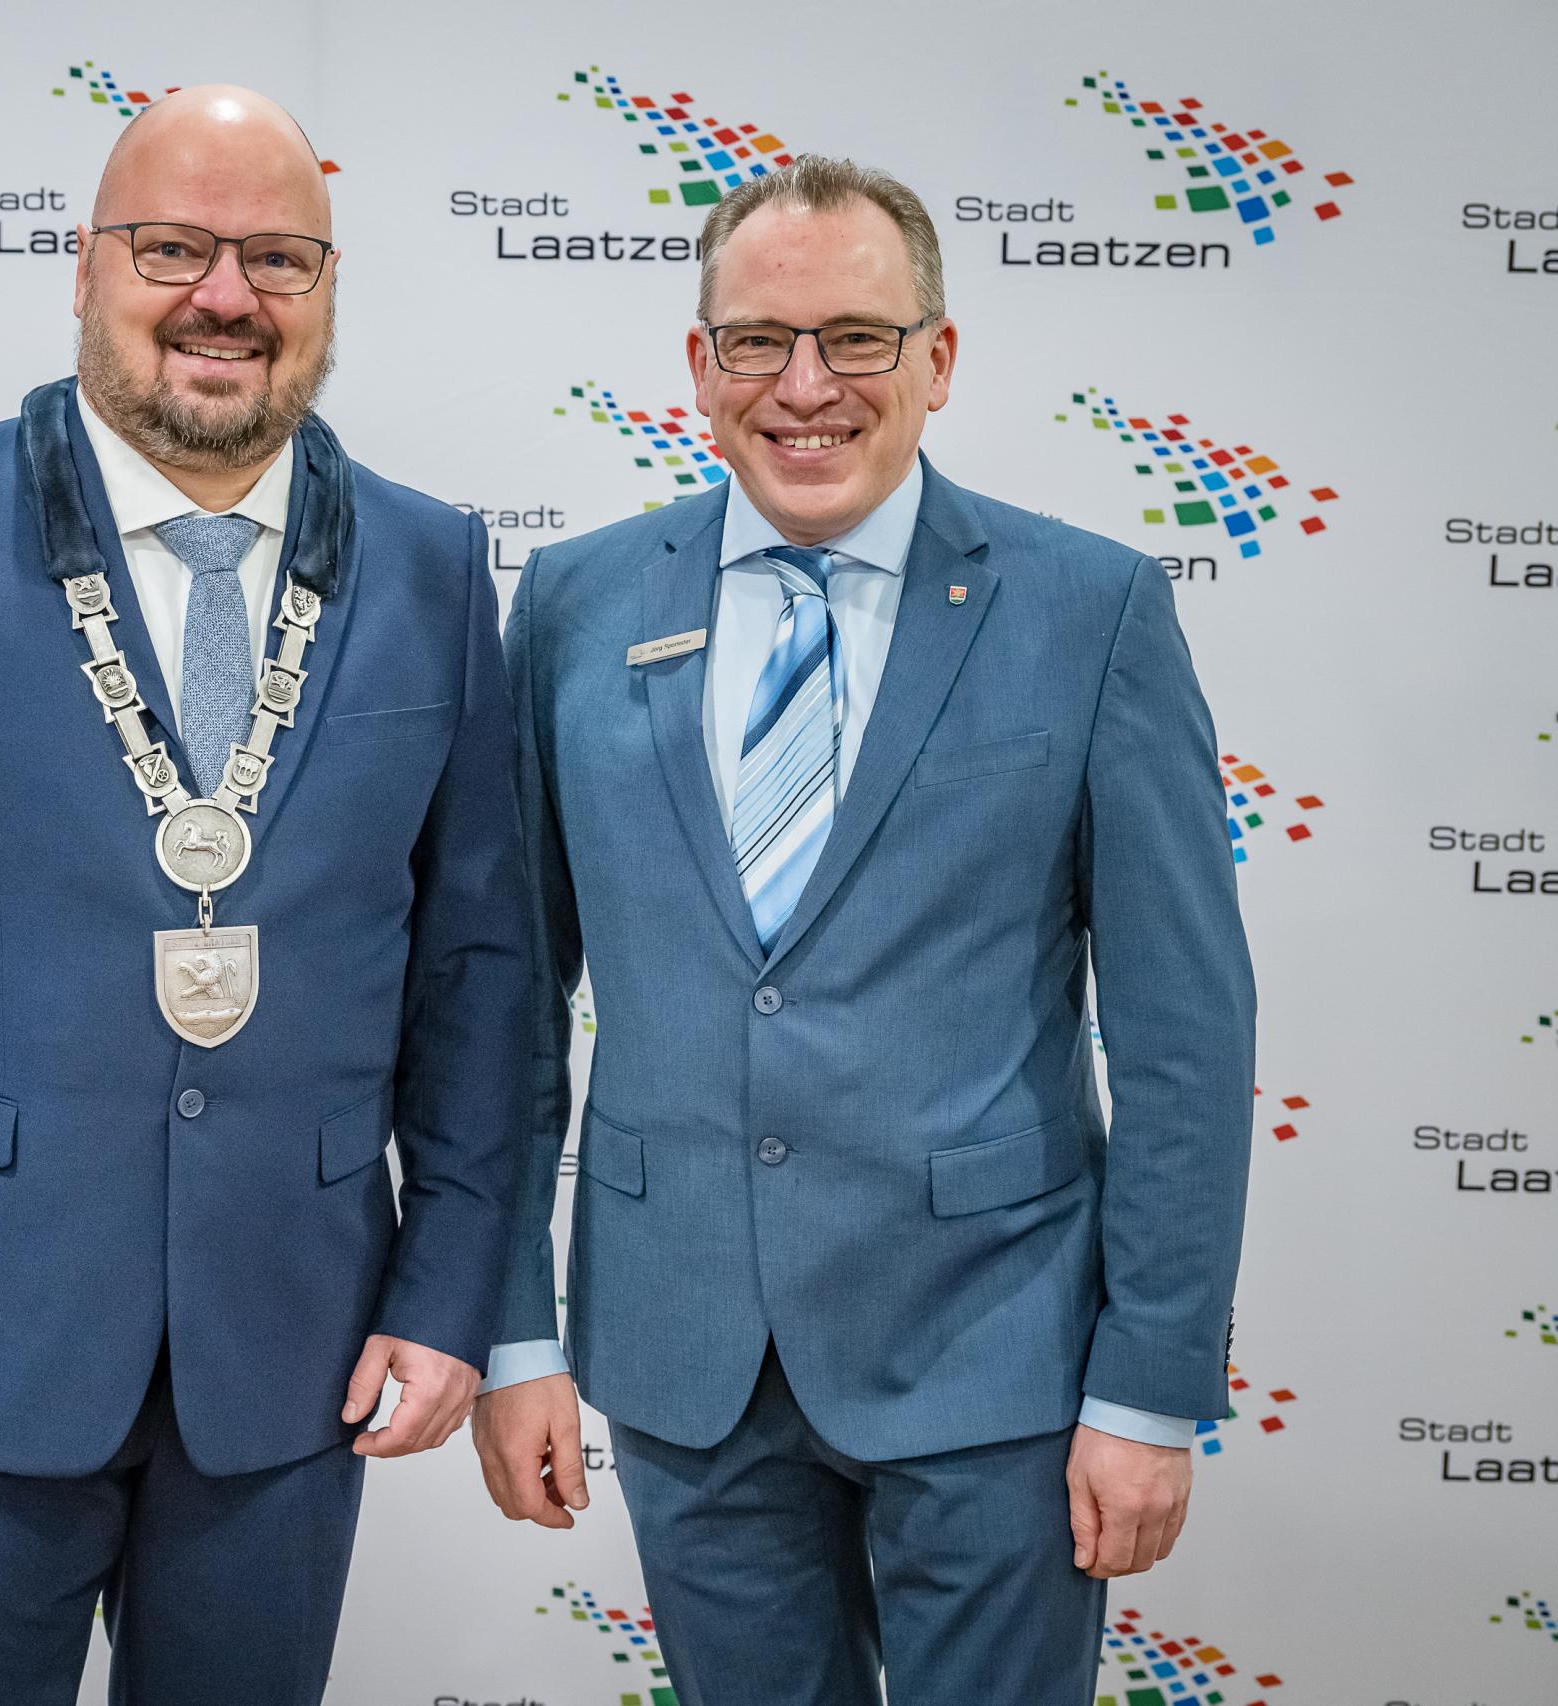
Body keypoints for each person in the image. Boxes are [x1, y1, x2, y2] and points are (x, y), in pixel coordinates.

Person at [0, 84, 529, 1706]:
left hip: (294, 1345)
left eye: (277, 257)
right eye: (172, 248)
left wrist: (448, 1292)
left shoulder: (433, 565)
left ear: (327, 288)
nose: (226, 296)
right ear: (84, 268)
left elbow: (479, 972)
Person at [471, 155, 1253, 1704]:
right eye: (760, 339)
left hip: (997, 1353)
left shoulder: (1090, 611)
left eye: (858, 338)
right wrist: (510, 1333)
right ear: (701, 364)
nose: (806, 385)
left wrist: (1150, 1387)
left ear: (939, 359)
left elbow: (1183, 1035)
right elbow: (501, 1010)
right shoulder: (572, 604)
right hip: (686, 1356)